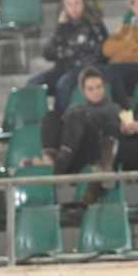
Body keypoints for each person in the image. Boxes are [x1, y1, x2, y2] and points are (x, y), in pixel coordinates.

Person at [41, 66, 120, 202]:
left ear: (104, 87)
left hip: (91, 151)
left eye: (99, 87)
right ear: (83, 91)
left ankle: (58, 165)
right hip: (71, 151)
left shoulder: (114, 109)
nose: (96, 92)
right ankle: (51, 158)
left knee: (79, 117)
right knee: (51, 116)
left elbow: (113, 132)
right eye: (90, 89)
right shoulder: (75, 108)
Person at [30, 0, 108, 113]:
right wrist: (60, 28)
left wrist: (64, 52)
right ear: (64, 6)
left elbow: (100, 52)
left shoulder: (95, 24)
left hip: (86, 69)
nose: (73, 8)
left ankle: (60, 119)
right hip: (63, 68)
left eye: (77, 3)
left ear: (83, 3)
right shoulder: (62, 26)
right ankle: (40, 118)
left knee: (63, 84)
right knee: (33, 84)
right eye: (69, 4)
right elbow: (48, 54)